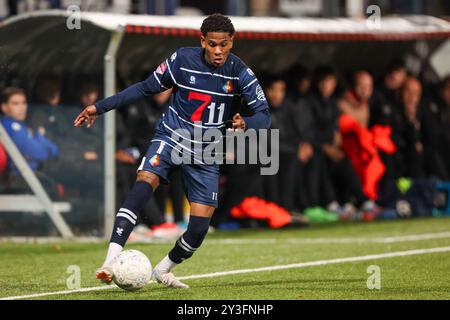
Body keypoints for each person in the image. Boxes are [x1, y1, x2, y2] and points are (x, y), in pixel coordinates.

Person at [74, 14, 271, 288]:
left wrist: (247, 122)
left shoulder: (240, 72)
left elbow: (265, 115)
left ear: (232, 42)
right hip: (172, 135)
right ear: (202, 41)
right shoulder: (181, 60)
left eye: (223, 44)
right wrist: (100, 106)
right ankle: (110, 260)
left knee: (199, 229)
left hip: (207, 149)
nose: (217, 51)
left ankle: (164, 269)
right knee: (143, 183)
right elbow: (145, 88)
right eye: (212, 44)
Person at [1, 87, 59, 189]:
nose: (21, 107)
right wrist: (41, 147)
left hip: (34, 177)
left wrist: (40, 145)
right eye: (15, 104)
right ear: (5, 107)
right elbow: (38, 152)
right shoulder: (8, 126)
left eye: (24, 103)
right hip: (18, 182)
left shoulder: (25, 126)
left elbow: (55, 149)